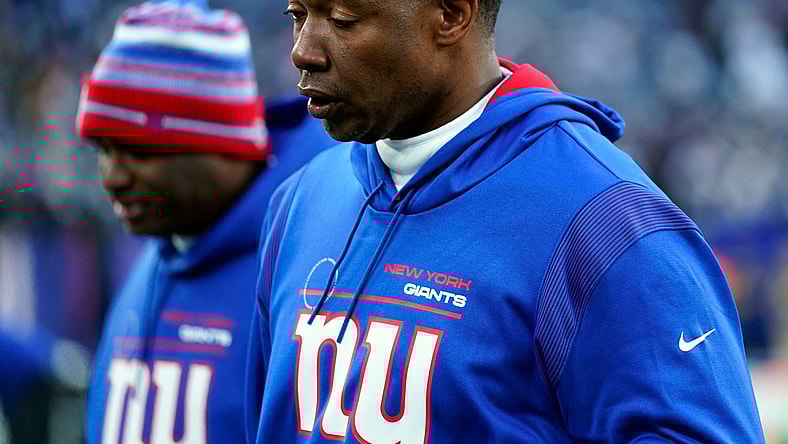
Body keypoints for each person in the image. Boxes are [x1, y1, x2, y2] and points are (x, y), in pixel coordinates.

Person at [249, 0, 765, 442]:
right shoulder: (302, 199)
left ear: (452, 14)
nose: (303, 50)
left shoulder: (605, 222)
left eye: (342, 19)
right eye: (298, 15)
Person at [75, 1, 336, 443]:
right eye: (103, 149)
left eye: (138, 151)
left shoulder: (308, 262)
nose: (112, 176)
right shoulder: (157, 251)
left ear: (222, 145)